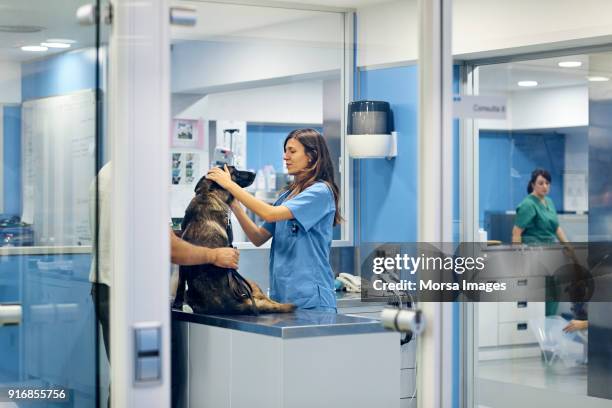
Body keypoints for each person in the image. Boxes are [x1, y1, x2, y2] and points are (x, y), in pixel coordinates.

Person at [89, 162, 239, 407]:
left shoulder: (105, 173)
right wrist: (214, 255)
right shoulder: (143, 176)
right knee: (152, 384)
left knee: (125, 381)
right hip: (135, 297)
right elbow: (170, 248)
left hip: (105, 287)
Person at [207, 128, 341, 312]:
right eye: (285, 151)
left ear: (312, 156)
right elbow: (257, 237)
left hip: (312, 300)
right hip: (282, 297)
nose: (286, 157)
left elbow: (269, 214)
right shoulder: (287, 195)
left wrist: (230, 184)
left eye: (292, 151)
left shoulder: (320, 192)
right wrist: (235, 205)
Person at [512, 168, 570, 245]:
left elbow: (556, 228)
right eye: (541, 183)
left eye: (547, 183)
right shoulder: (528, 204)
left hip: (549, 249)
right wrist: (517, 254)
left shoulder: (549, 201)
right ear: (533, 185)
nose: (545, 186)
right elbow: (516, 231)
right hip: (532, 251)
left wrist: (568, 246)